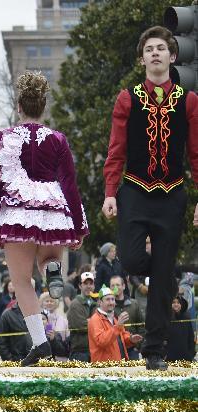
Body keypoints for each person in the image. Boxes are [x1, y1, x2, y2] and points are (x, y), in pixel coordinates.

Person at [0, 71, 88, 366]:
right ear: (43, 106)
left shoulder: (6, 137)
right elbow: (69, 183)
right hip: (51, 209)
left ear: (19, 107)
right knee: (47, 263)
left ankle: (40, 342)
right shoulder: (58, 139)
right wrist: (78, 223)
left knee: (21, 281)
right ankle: (52, 270)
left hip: (17, 212)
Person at [102, 26, 198, 371]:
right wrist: (110, 193)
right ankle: (164, 272)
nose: (155, 53)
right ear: (142, 58)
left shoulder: (188, 100)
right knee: (130, 260)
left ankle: (155, 351)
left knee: (161, 278)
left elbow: (197, 154)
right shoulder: (127, 98)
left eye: (162, 48)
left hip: (172, 195)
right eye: (149, 49)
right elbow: (115, 150)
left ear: (172, 57)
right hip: (135, 191)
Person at [89, 286, 143, 362]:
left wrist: (130, 339)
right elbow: (101, 341)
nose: (111, 302)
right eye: (107, 299)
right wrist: (117, 327)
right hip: (104, 367)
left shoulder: (114, 318)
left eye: (113, 299)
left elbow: (121, 337)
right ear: (100, 302)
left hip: (118, 364)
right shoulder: (95, 319)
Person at [110, 275, 144, 359]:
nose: (115, 287)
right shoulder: (108, 306)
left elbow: (141, 325)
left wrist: (138, 345)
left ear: (124, 286)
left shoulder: (134, 304)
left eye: (117, 285)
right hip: (114, 350)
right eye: (112, 285)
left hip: (132, 349)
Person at [67, 271, 98, 362]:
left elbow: (100, 325)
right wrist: (94, 323)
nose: (88, 286)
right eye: (85, 283)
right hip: (79, 352)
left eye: (91, 283)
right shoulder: (75, 304)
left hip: (94, 349)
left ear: (94, 286)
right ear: (80, 286)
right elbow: (81, 326)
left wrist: (90, 322)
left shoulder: (96, 304)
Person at [166, 295, 195, 361]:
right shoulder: (165, 318)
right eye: (173, 302)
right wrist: (164, 355)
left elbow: (191, 337)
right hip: (169, 359)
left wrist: (191, 354)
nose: (176, 304)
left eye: (178, 303)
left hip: (186, 358)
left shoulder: (187, 318)